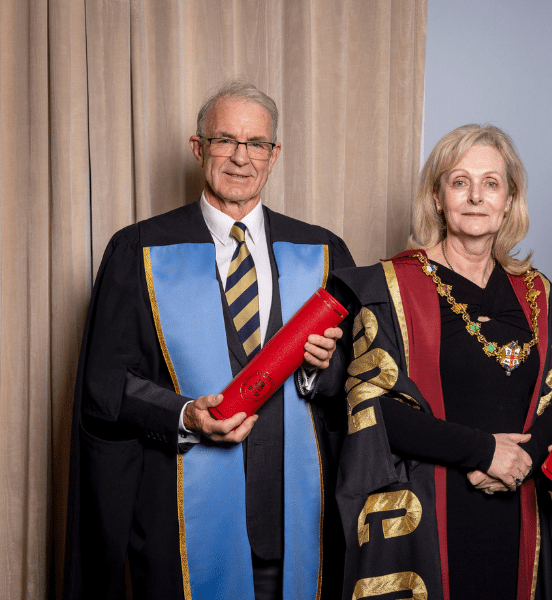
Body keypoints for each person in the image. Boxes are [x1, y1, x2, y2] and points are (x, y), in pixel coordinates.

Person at [64, 78, 355, 600]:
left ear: (274, 154)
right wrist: (184, 415)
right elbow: (105, 387)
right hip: (178, 526)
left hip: (293, 527)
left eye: (257, 144)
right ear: (199, 149)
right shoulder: (140, 250)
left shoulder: (322, 251)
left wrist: (318, 367)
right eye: (226, 140)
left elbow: (356, 382)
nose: (242, 158)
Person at [334, 124, 552, 600]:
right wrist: (483, 452)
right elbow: (373, 407)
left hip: (519, 501)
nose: (476, 197)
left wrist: (521, 460)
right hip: (429, 508)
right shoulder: (392, 288)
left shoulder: (539, 294)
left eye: (491, 183)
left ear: (509, 199)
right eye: (459, 181)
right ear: (436, 196)